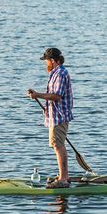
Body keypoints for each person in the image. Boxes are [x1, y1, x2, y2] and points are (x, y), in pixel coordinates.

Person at [27, 48, 74, 189]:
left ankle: (64, 179)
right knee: (57, 145)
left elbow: (56, 96)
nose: (45, 63)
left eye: (46, 61)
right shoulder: (56, 73)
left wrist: (38, 95)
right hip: (55, 116)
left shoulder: (61, 73)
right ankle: (62, 176)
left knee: (58, 146)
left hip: (59, 117)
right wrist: (46, 108)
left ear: (53, 61)